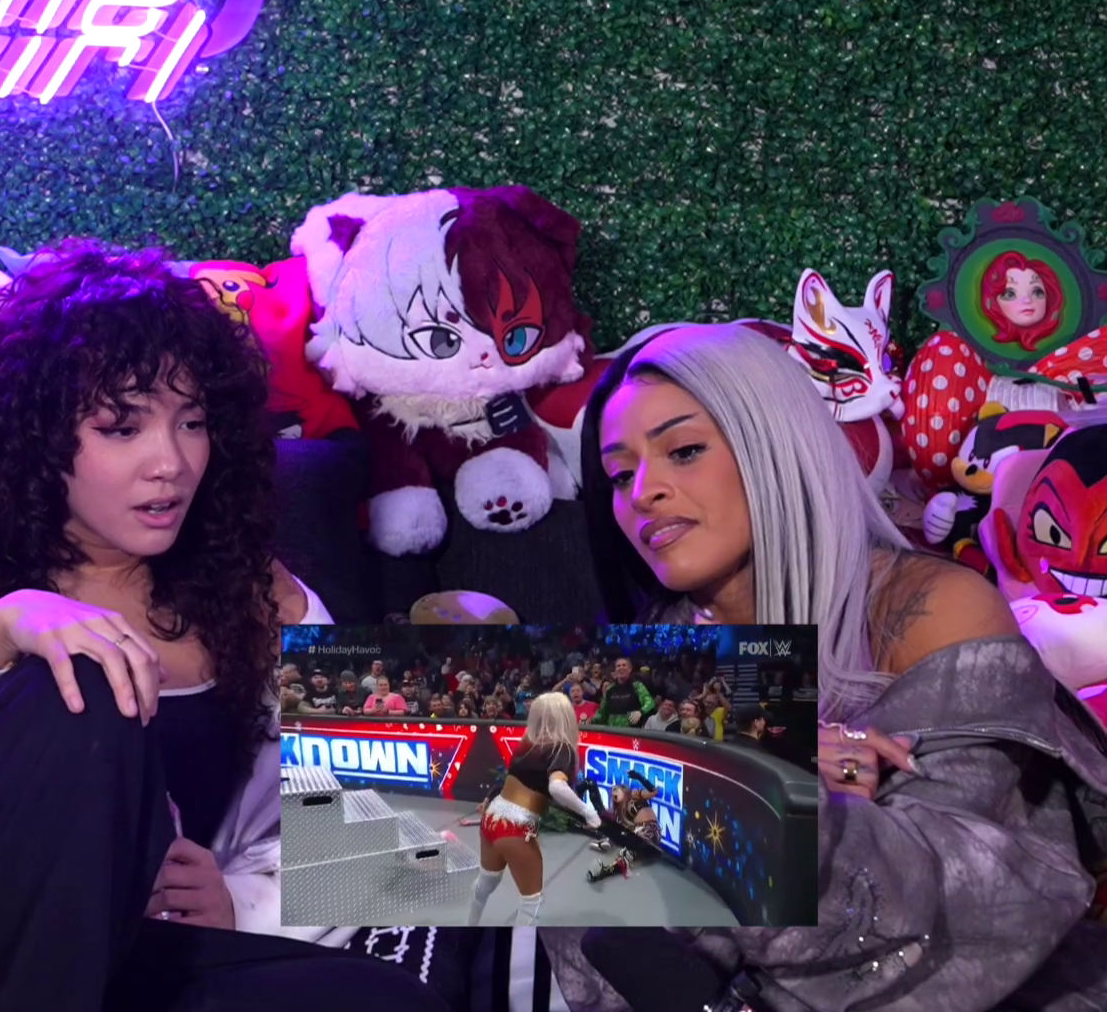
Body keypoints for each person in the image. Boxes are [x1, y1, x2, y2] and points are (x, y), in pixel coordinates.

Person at [0, 244, 446, 1012]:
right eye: (123, 427)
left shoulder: (250, 591)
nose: (170, 462)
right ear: (36, 436)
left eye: (192, 422)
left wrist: (245, 898)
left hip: (114, 959)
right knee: (79, 676)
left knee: (388, 997)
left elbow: (391, 806)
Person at [548, 323, 1107, 1012]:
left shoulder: (930, 609)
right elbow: (597, 946)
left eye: (684, 450)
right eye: (619, 474)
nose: (642, 492)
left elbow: (958, 919)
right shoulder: (644, 661)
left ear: (777, 444)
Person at [458, 693, 600, 925]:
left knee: (485, 883)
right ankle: (519, 946)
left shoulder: (526, 745)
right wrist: (588, 812)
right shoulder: (561, 748)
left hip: (492, 818)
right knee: (531, 902)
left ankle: (468, 929)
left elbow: (513, 779)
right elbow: (557, 787)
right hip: (516, 825)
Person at [593, 656, 654, 727]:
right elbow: (602, 713)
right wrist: (590, 720)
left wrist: (640, 712)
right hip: (612, 730)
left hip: (631, 731)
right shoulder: (610, 689)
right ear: (615, 670)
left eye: (624, 665)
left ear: (630, 669)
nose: (621, 668)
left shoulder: (637, 686)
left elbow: (650, 702)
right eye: (618, 666)